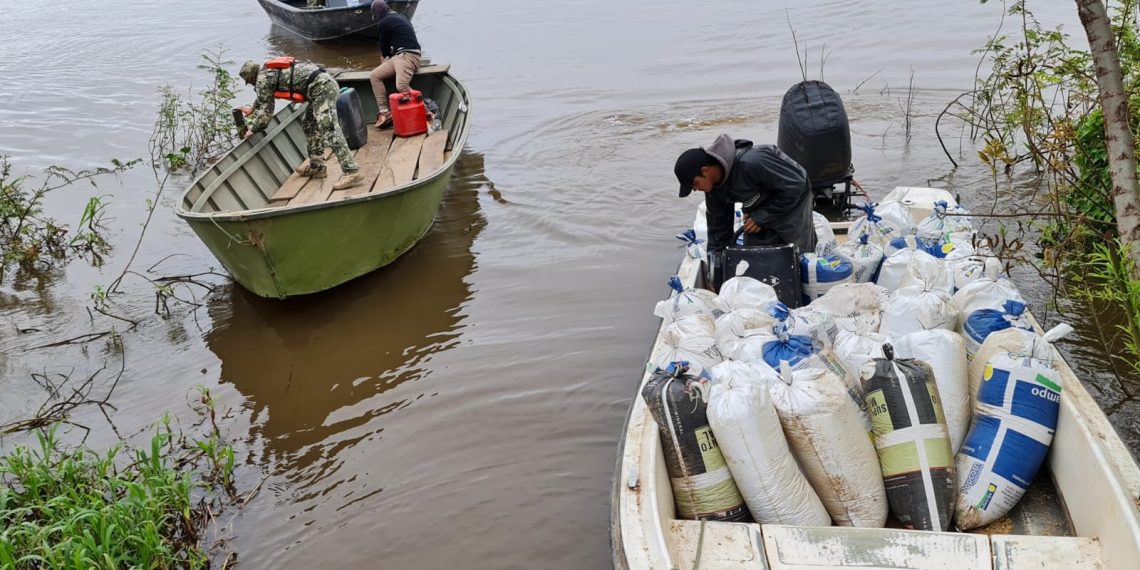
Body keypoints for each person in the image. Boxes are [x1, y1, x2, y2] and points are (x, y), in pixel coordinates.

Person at [674, 133, 816, 256]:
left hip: (793, 199)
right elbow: (719, 231)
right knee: (756, 256)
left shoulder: (752, 162)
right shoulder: (713, 189)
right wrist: (716, 266)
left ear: (705, 171)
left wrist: (762, 216)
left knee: (797, 254)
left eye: (694, 184)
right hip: (758, 205)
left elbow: (796, 184)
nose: (695, 189)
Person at [238, 58, 363, 191]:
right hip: (322, 85)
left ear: (251, 77)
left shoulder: (262, 79)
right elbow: (264, 96)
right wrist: (252, 108)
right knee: (309, 123)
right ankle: (317, 166)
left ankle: (351, 171)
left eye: (249, 82)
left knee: (329, 129)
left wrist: (253, 129)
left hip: (321, 89)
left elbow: (266, 111)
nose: (251, 85)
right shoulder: (268, 71)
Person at [368, 0, 422, 128]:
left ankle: (426, 112)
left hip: (408, 55)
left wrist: (384, 60)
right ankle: (384, 112)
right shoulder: (401, 16)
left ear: (376, 14)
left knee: (402, 86)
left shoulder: (383, 23)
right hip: (399, 55)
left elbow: (384, 48)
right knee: (375, 76)